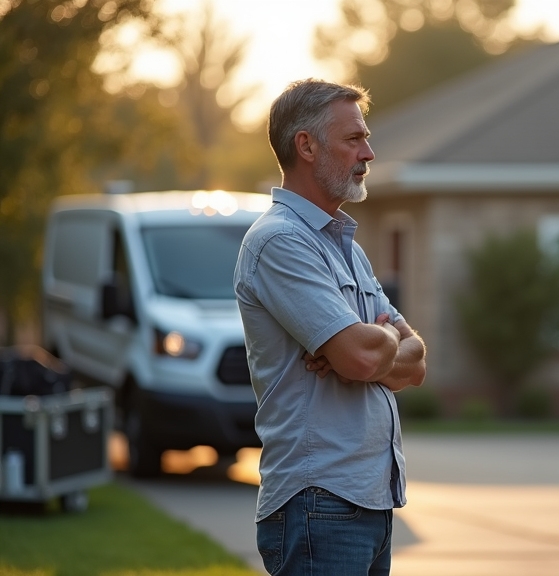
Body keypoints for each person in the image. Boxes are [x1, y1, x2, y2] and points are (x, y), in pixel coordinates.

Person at [234, 79, 427, 576]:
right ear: (306, 145)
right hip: (319, 502)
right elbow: (365, 356)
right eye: (353, 139)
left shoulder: (347, 248)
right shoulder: (278, 242)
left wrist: (364, 343)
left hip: (366, 500)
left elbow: (417, 362)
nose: (369, 152)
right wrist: (378, 342)